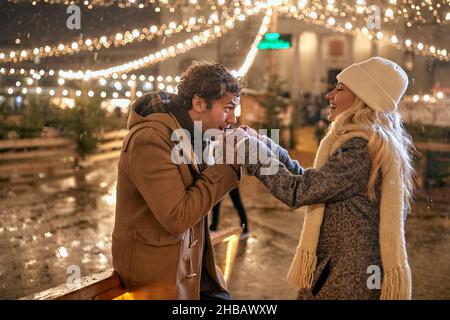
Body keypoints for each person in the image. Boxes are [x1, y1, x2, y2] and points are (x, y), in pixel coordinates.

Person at [238, 57, 414, 299]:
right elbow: (316, 184)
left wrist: (251, 152)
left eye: (339, 89)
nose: (329, 95)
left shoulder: (361, 149)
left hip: (346, 282)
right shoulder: (366, 141)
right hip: (342, 274)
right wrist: (267, 147)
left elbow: (298, 191)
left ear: (363, 98)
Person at [112, 62, 243, 300]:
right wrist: (227, 167)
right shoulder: (150, 138)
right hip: (158, 275)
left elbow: (200, 197)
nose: (233, 119)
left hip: (190, 266)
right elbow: (177, 216)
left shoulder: (194, 134)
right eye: (227, 108)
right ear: (199, 103)